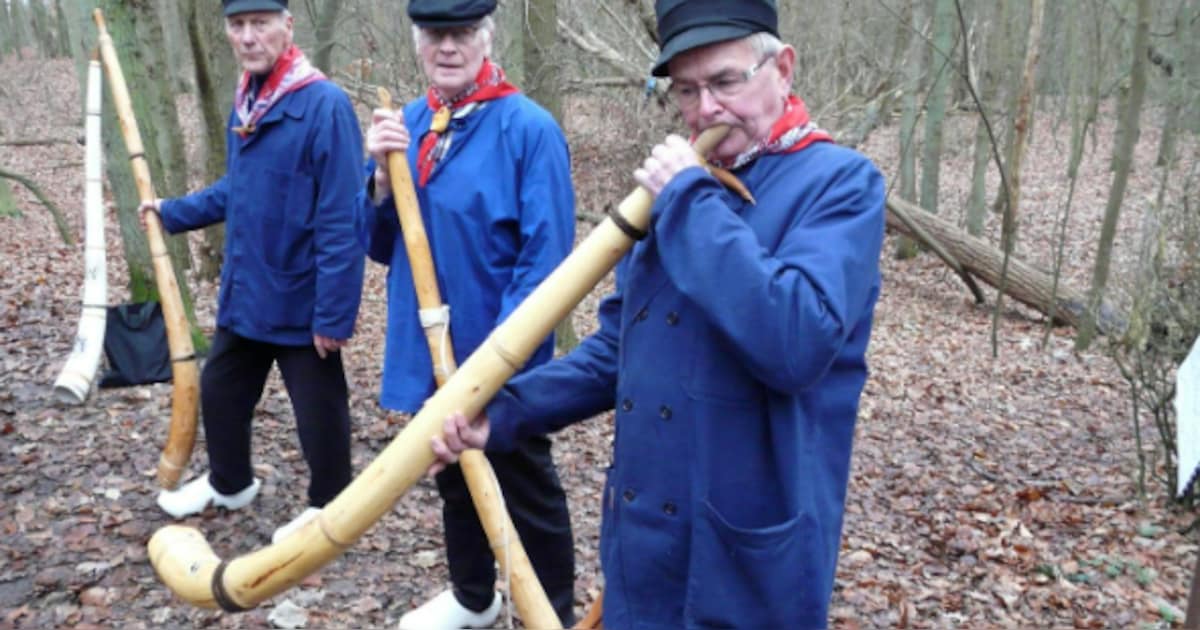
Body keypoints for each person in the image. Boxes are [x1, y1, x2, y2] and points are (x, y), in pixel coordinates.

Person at [429, 0, 887, 627]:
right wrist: (505, 410)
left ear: (783, 68)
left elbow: (795, 339)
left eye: (725, 82)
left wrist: (688, 201)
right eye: (687, 91)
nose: (706, 110)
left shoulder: (839, 184)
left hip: (747, 557)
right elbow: (619, 352)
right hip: (644, 543)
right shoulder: (682, 190)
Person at [357, 1, 577, 627]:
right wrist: (377, 176)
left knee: (525, 482)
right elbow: (379, 245)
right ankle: (473, 597)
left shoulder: (529, 130)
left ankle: (551, 612)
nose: (447, 48)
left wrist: (493, 368)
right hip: (428, 346)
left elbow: (545, 264)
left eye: (461, 34)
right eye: (435, 36)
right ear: (419, 42)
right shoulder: (407, 124)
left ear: (487, 37)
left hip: (501, 350)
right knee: (452, 474)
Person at [146, 0, 365, 546]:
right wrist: (173, 212)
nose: (248, 36)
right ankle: (231, 482)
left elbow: (343, 219)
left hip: (302, 297)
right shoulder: (248, 101)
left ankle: (330, 508)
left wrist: (334, 313)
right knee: (220, 389)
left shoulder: (324, 105)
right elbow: (238, 189)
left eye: (259, 24)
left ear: (286, 27)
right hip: (247, 290)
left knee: (318, 411)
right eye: (237, 26)